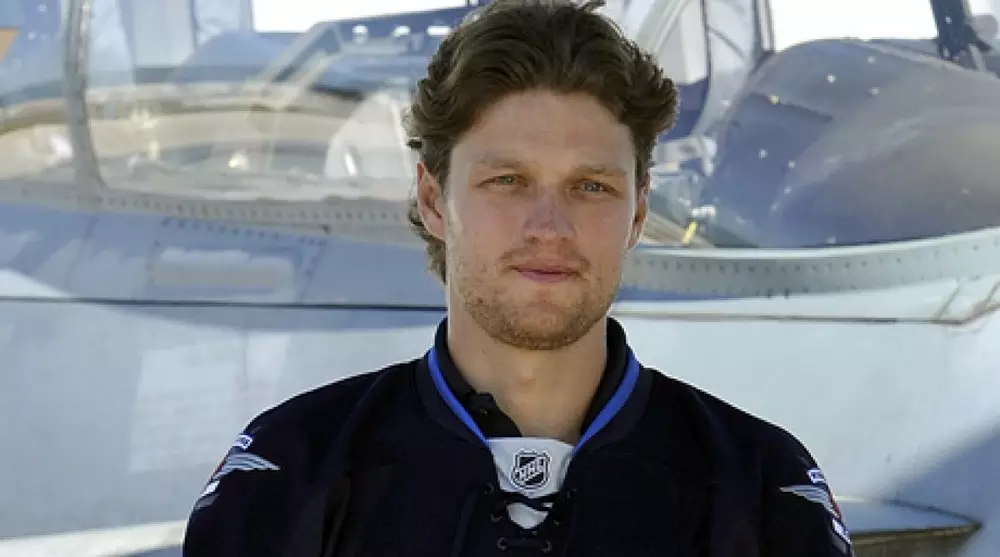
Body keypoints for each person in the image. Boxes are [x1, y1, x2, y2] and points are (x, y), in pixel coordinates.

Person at [181, 1, 856, 556]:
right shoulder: (290, 470)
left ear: (638, 212)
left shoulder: (762, 486)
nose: (549, 226)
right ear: (433, 199)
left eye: (591, 186)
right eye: (508, 180)